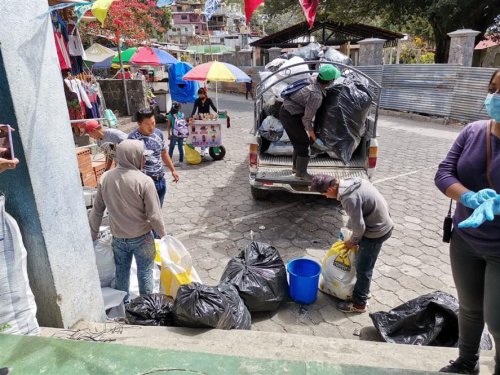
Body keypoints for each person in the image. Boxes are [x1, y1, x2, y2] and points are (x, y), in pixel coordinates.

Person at [434, 69, 500, 375]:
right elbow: (444, 172)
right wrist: (470, 197)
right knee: (470, 309)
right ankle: (466, 362)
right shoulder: (474, 131)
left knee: (497, 318)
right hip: (465, 240)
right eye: (494, 89)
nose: (496, 97)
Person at [89, 140, 166, 301]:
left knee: (121, 272)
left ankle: (123, 305)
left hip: (118, 239)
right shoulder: (144, 181)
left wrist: (93, 233)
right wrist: (164, 236)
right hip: (143, 238)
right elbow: (154, 216)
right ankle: (146, 306)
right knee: (145, 271)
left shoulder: (105, 178)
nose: (144, 160)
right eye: (142, 157)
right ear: (134, 156)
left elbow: (97, 211)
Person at [310, 175, 393, 313]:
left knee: (364, 268)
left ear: (331, 188)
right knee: (362, 263)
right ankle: (362, 289)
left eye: (324, 193)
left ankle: (359, 304)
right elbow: (359, 213)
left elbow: (360, 227)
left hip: (376, 232)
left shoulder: (348, 198)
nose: (325, 196)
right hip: (382, 222)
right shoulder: (352, 181)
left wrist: (352, 241)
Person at [279, 65, 341, 181]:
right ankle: (301, 173)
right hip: (289, 115)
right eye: (334, 79)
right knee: (303, 143)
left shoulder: (314, 78)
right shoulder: (316, 96)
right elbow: (306, 121)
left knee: (299, 141)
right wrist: (315, 138)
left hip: (290, 111)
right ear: (330, 81)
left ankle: (295, 168)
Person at [128, 108, 179, 207]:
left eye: (153, 123)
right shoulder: (132, 139)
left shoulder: (158, 133)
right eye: (147, 124)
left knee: (158, 212)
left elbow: (164, 153)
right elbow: (129, 164)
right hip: (144, 185)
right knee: (146, 215)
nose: (151, 127)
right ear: (139, 123)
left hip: (160, 181)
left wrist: (173, 170)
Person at [166, 102, 186, 166]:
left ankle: (169, 161)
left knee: (171, 148)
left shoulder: (170, 115)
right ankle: (181, 161)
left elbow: (168, 126)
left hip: (174, 134)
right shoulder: (182, 114)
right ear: (179, 108)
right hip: (181, 133)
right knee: (180, 147)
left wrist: (169, 134)